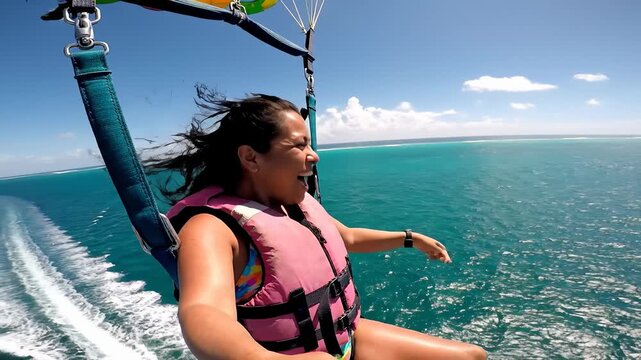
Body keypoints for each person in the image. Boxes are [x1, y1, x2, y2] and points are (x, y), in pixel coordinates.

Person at [144, 86, 487, 360]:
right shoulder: (213, 227)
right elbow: (203, 311)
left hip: (347, 339)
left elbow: (348, 237)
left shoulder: (295, 204)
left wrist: (410, 239)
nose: (314, 155)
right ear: (251, 157)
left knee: (471, 356)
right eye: (299, 145)